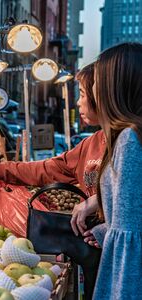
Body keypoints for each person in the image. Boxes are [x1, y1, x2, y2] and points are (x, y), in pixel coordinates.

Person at [0, 63, 104, 300]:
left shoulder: (129, 140)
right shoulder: (92, 143)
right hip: (94, 250)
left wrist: (100, 200)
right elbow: (48, 169)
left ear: (103, 96)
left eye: (84, 95)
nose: (78, 102)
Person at [82, 42, 142, 299]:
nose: (93, 89)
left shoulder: (129, 140)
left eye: (96, 80)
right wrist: (106, 230)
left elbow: (131, 240)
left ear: (112, 86)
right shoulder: (128, 137)